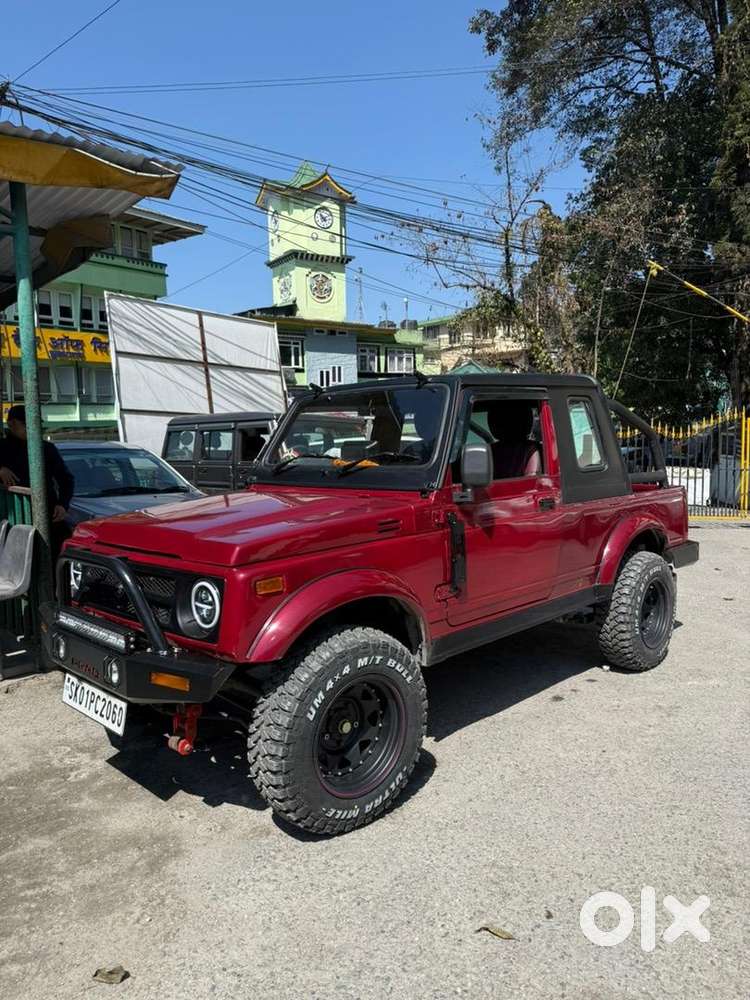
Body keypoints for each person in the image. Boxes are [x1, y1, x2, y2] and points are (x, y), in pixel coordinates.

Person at [0, 404, 75, 560]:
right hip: (11, 519)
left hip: (47, 515)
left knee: (53, 556)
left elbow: (66, 479)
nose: (32, 429)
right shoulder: (2, 447)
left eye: (35, 424)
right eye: (26, 424)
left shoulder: (47, 448)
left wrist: (63, 504)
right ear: (12, 424)